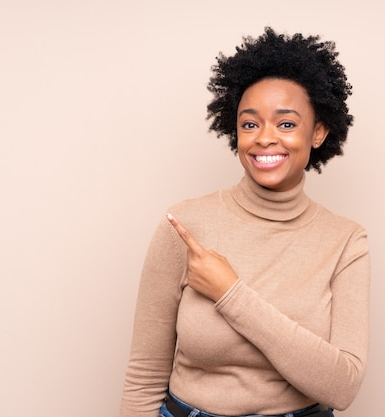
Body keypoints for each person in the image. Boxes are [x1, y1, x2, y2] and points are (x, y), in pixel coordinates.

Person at [120, 27, 370, 417]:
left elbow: (342, 386)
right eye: (250, 124)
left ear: (318, 132)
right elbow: (144, 376)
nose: (264, 138)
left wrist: (229, 292)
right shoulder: (184, 226)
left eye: (286, 124)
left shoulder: (345, 241)